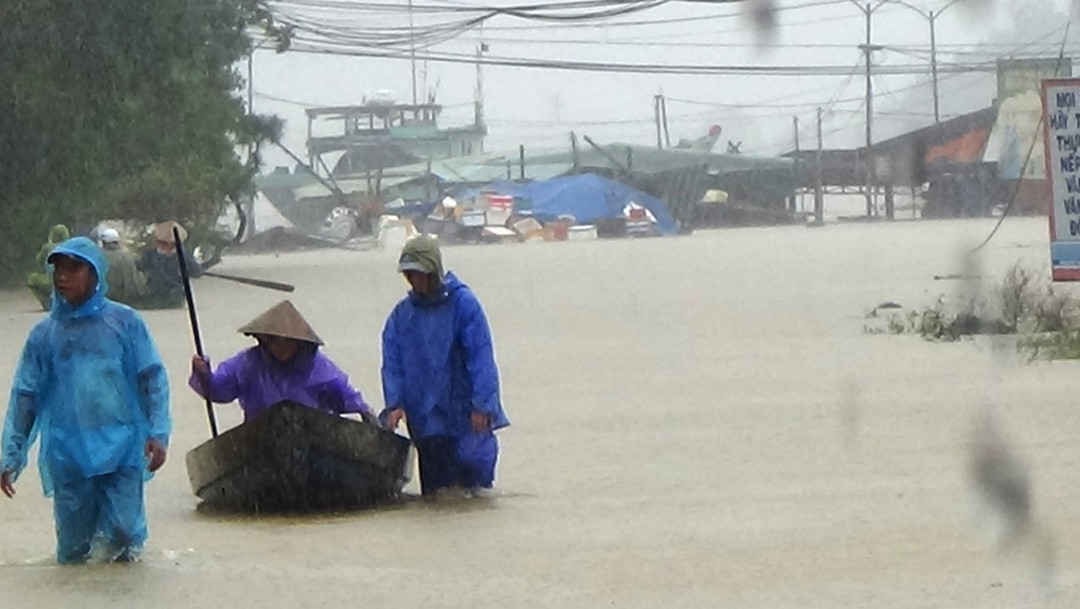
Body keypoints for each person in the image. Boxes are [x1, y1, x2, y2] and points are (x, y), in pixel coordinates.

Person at [1, 237, 170, 564]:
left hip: (122, 447)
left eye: (73, 268)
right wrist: (10, 455)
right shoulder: (44, 335)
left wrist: (158, 432)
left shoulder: (125, 322)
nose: (63, 277)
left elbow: (152, 378)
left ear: (94, 273)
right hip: (69, 453)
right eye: (58, 270)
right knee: (75, 552)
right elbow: (25, 396)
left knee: (123, 536)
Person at [380, 235, 509, 497]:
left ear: (433, 270)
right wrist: (395, 404)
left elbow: (481, 356)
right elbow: (392, 364)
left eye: (419, 273)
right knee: (437, 495)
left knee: (474, 488)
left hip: (465, 414)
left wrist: (483, 404)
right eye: (410, 274)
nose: (415, 280)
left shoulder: (464, 305)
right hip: (425, 419)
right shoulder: (402, 316)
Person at [189, 300, 375, 423]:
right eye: (270, 341)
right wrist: (204, 375)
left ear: (298, 342)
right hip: (259, 439)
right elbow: (219, 391)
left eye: (281, 341)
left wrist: (366, 414)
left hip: (312, 440)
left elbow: (347, 398)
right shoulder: (248, 364)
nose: (276, 347)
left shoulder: (318, 368)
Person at [137, 220, 201, 308]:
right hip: (154, 295)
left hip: (172, 296)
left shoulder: (183, 256)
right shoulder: (150, 254)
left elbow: (197, 272)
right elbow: (139, 267)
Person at [26, 224, 70, 310]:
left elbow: (39, 261)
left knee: (32, 279)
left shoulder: (47, 247)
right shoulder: (72, 246)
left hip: (51, 282)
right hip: (72, 281)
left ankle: (48, 303)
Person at [98, 228, 147, 307]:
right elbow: (134, 281)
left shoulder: (97, 256)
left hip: (102, 299)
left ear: (103, 242)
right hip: (124, 300)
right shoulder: (127, 256)